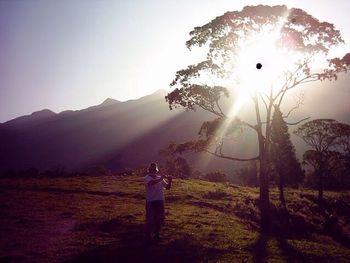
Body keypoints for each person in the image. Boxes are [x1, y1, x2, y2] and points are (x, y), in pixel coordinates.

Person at [144, 162, 172, 242]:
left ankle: (157, 235)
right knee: (150, 219)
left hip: (160, 200)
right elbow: (150, 183)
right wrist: (161, 178)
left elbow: (167, 187)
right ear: (149, 170)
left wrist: (170, 181)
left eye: (154, 170)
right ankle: (148, 236)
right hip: (151, 201)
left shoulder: (160, 178)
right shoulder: (146, 178)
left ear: (156, 170)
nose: (152, 171)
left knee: (159, 219)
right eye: (151, 169)